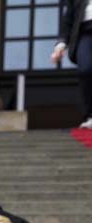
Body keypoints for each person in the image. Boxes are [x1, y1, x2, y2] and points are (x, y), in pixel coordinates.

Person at [51, 0, 92, 129]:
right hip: (85, 32)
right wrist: (60, 45)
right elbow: (68, 19)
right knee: (85, 69)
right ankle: (90, 116)